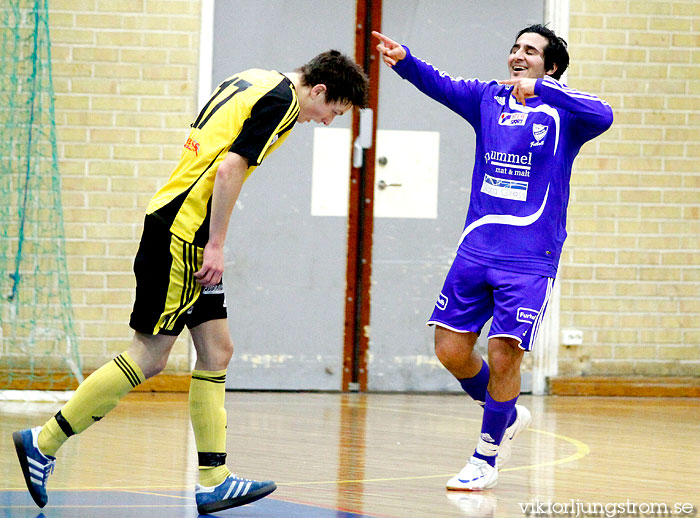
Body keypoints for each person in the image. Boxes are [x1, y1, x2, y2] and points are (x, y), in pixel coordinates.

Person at [13, 50, 368, 514]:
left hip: (181, 228)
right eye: (332, 113)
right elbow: (229, 168)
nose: (325, 122)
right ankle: (45, 440)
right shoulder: (284, 102)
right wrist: (215, 244)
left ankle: (213, 480)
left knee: (217, 350)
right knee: (150, 356)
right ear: (318, 91)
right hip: (183, 235)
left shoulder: (255, 75)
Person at [373, 25, 612, 491]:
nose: (518, 56)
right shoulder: (488, 98)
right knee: (450, 350)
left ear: (552, 65)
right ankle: (505, 414)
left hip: (529, 257)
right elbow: (441, 84)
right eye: (515, 48)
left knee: (504, 354)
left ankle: (485, 456)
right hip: (476, 248)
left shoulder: (566, 113)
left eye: (531, 51)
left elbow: (605, 113)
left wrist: (542, 90)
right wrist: (404, 61)